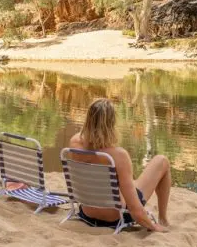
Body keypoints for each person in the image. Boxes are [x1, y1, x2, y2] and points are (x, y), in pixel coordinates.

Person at [69, 98, 170, 232]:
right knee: (162, 161)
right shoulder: (118, 156)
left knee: (128, 183)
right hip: (116, 217)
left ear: (88, 119)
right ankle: (163, 219)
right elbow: (135, 210)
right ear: (111, 123)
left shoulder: (74, 144)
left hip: (87, 214)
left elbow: (86, 138)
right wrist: (154, 226)